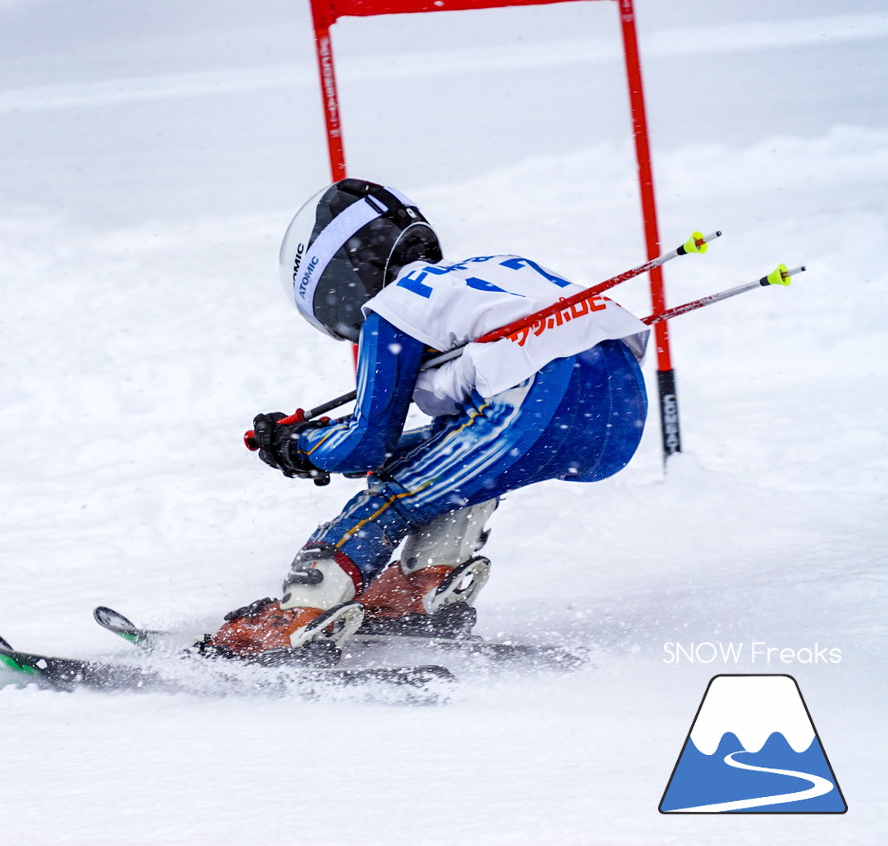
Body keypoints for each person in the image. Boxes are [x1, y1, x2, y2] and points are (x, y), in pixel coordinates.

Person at [197, 179, 651, 664]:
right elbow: (445, 443)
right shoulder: (486, 272)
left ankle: (302, 614)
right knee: (453, 471)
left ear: (343, 278)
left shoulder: (395, 305)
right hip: (616, 412)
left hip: (540, 396)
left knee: (392, 496)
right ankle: (425, 586)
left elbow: (366, 444)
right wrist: (323, 443)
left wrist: (297, 446)